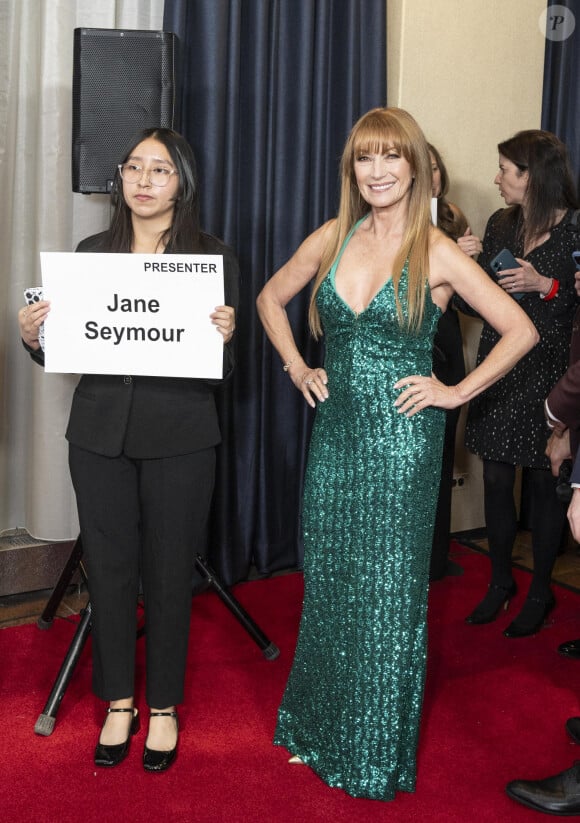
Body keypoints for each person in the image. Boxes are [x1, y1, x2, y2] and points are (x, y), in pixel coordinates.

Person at [256, 106, 537, 801]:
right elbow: (269, 297)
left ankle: (371, 751)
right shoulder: (333, 235)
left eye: (390, 157)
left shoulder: (436, 250)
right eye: (364, 158)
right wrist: (298, 366)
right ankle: (318, 727)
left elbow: (520, 329)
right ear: (352, 168)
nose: (377, 171)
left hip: (402, 447)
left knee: (387, 601)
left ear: (414, 165)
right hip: (336, 440)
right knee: (330, 585)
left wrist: (454, 392)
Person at [18, 128, 240, 771]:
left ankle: (163, 707)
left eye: (160, 170)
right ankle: (119, 701)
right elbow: (71, 351)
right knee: (110, 573)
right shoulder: (90, 254)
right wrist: (37, 339)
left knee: (170, 573)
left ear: (183, 183)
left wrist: (225, 338)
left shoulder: (212, 257)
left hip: (182, 439)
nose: (143, 180)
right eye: (134, 168)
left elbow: (226, 375)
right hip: (97, 438)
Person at [464, 129, 579, 637]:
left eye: (507, 170)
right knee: (494, 480)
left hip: (551, 373)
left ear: (534, 178)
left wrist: (544, 285)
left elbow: (577, 311)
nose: (497, 179)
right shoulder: (500, 224)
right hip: (501, 367)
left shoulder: (576, 232)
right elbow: (476, 305)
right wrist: (464, 269)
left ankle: (539, 590)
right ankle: (499, 581)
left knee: (541, 488)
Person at [428, 143, 482, 580]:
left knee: (443, 452)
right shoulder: (379, 221)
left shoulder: (452, 217)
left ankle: (435, 555)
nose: (430, 177)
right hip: (403, 342)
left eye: (434, 169)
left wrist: (469, 265)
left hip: (445, 341)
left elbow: (468, 303)